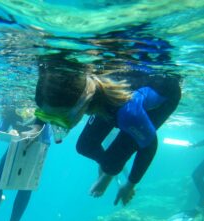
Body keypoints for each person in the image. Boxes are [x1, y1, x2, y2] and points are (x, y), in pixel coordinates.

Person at [35, 60, 181, 206]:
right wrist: (39, 120)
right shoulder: (88, 93)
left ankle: (109, 171)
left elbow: (149, 146)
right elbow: (53, 103)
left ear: (80, 104)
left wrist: (129, 185)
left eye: (58, 118)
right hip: (115, 102)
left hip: (165, 97)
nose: (54, 124)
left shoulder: (128, 113)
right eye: (47, 116)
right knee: (84, 147)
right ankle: (109, 166)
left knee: (111, 163)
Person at [0, 104, 51, 221]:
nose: (25, 111)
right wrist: (10, 133)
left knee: (25, 187)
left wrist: (34, 140)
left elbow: (47, 139)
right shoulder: (10, 110)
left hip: (35, 149)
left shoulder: (40, 111)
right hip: (15, 147)